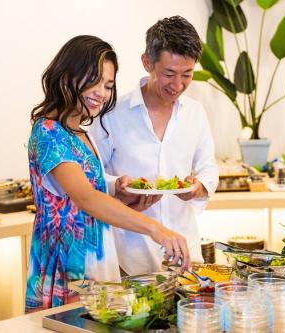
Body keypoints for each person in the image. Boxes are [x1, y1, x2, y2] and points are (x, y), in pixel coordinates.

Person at [25, 35, 190, 312]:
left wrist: (126, 202)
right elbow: (86, 198)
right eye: (93, 80)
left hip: (95, 265)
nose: (101, 92)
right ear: (67, 74)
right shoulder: (49, 131)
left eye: (108, 85)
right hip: (67, 270)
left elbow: (82, 206)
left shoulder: (79, 132)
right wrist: (156, 229)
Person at [90, 16, 219, 275]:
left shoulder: (195, 113)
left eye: (187, 74)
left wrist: (197, 187)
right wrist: (119, 185)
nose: (178, 85)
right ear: (147, 63)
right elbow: (91, 177)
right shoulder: (111, 114)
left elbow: (208, 167)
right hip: (128, 254)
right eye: (169, 74)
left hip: (185, 250)